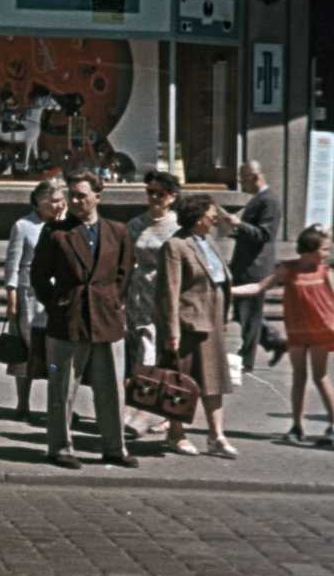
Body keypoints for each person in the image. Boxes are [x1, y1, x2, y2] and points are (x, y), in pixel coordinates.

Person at [31, 169, 138, 469]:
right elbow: (39, 278)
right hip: (68, 319)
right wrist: (58, 304)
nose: (74, 201)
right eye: (71, 195)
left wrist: (111, 301)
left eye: (81, 195)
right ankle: (60, 447)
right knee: (62, 387)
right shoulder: (55, 232)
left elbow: (124, 273)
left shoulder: (117, 231)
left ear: (98, 197)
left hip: (107, 319)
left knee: (111, 388)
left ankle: (115, 448)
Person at [151, 194, 238, 457]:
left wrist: (225, 316)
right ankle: (175, 434)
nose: (216, 218)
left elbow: (220, 280)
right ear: (198, 216)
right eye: (212, 213)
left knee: (214, 383)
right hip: (187, 326)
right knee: (181, 383)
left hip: (211, 323)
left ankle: (216, 436)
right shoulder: (175, 246)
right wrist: (171, 333)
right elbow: (168, 292)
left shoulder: (207, 240)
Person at [232, 225, 334, 445]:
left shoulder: (325, 272)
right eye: (324, 249)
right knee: (299, 376)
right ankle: (297, 426)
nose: (327, 254)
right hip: (297, 331)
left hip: (320, 331)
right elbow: (260, 287)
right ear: (308, 250)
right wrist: (229, 290)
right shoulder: (288, 269)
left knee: (320, 376)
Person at [121, 170, 182, 436]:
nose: (154, 197)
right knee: (140, 348)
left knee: (156, 349)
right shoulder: (136, 224)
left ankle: (145, 414)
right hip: (138, 292)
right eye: (150, 192)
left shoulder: (179, 225)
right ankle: (135, 409)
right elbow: (124, 260)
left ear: (172, 197)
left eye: (160, 193)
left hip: (167, 291)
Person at [2, 179, 65, 423]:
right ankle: (22, 404)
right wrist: (11, 296)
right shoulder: (24, 225)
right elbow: (13, 263)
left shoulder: (67, 225)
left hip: (57, 292)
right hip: (30, 294)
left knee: (56, 350)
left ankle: (56, 404)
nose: (60, 205)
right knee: (26, 350)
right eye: (54, 201)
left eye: (62, 200)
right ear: (40, 202)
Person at [220, 159, 282, 371]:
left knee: (251, 315)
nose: (241, 185)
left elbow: (266, 234)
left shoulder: (269, 201)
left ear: (255, 177)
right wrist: (237, 231)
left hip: (256, 267)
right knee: (244, 312)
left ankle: (247, 360)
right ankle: (275, 341)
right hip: (247, 264)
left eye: (244, 180)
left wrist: (240, 225)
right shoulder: (258, 198)